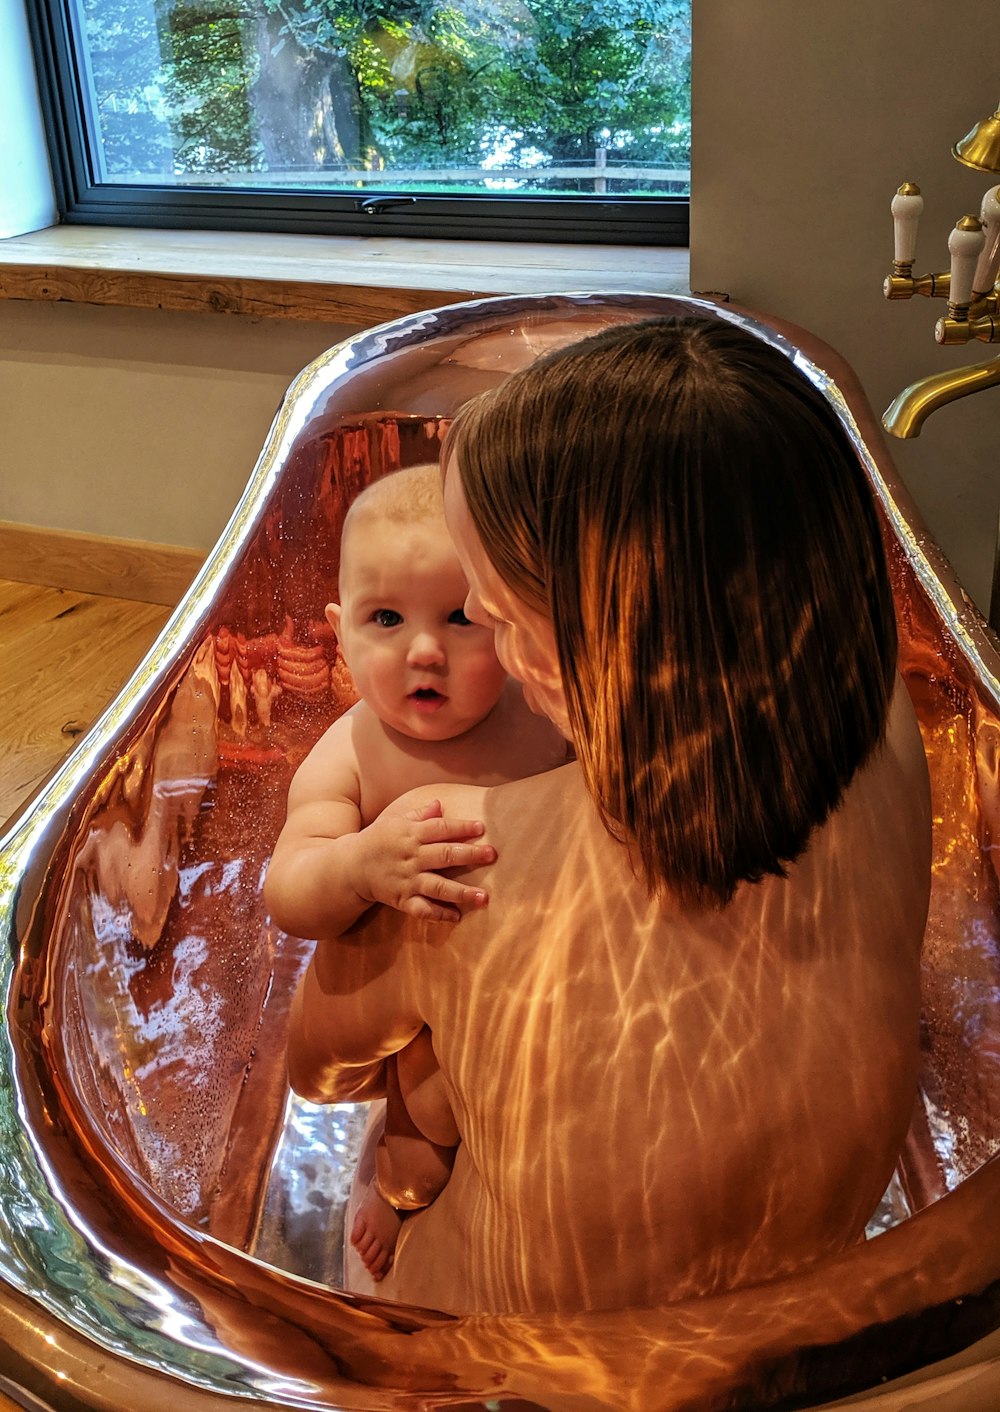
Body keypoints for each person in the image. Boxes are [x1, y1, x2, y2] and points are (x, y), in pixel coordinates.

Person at [287, 315, 932, 1317]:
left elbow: (317, 1072)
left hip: (501, 1358)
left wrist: (431, 1049)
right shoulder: (885, 727)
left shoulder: (461, 848)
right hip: (796, 1319)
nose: (485, 652)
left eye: (491, 614)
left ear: (589, 646)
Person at [265, 463, 568, 1281]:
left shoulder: (544, 717)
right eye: (387, 619)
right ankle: (390, 1186)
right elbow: (287, 886)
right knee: (424, 1148)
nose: (424, 650)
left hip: (532, 979)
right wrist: (359, 864)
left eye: (464, 619)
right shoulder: (355, 752)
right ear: (340, 629)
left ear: (513, 623)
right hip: (416, 1008)